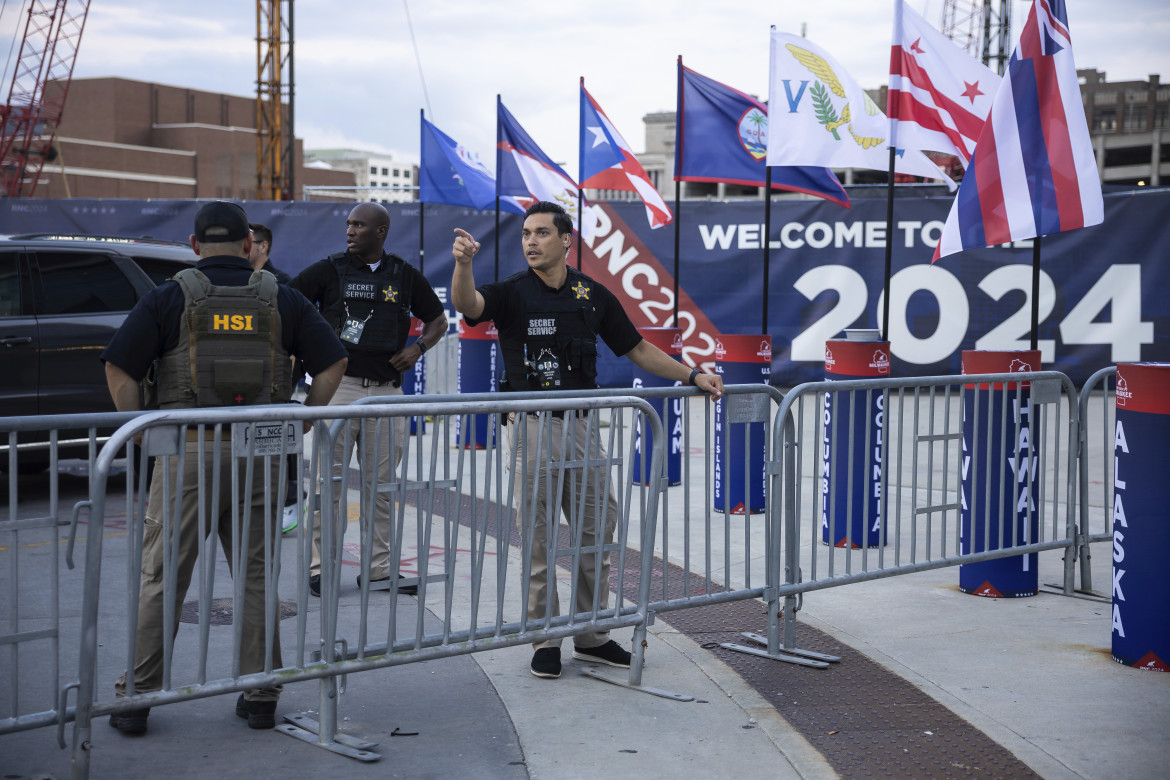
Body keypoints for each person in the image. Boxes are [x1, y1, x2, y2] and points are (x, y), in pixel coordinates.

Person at [102, 200, 348, 735]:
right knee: (257, 576)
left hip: (187, 451)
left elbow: (119, 368)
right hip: (258, 452)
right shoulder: (280, 296)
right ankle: (260, 694)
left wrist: (147, 431)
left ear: (193, 246)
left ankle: (138, 698)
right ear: (246, 245)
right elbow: (332, 363)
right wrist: (304, 420)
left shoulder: (169, 297)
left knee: (163, 576)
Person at [451, 201, 723, 679]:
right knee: (539, 538)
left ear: (566, 240)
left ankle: (592, 635)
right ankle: (546, 640)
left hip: (581, 427)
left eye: (540, 234)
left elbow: (635, 347)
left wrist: (691, 374)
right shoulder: (512, 292)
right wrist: (463, 265)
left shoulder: (591, 294)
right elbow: (468, 306)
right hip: (532, 426)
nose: (530, 242)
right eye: (525, 234)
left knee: (597, 530)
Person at [290, 202, 447, 598]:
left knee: (383, 488)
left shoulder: (404, 275)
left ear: (381, 231)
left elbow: (438, 319)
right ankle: (319, 570)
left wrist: (419, 348)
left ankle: (378, 570)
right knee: (330, 485)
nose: (350, 230)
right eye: (348, 224)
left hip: (387, 393)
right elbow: (288, 305)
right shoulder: (329, 270)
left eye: (359, 225)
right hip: (339, 390)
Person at [248, 221, 302, 533]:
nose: (245, 247)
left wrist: (285, 377)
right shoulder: (241, 279)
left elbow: (292, 338)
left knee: (279, 436)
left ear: (263, 246)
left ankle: (291, 499)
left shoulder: (282, 283)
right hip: (246, 375)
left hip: (277, 377)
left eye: (250, 242)